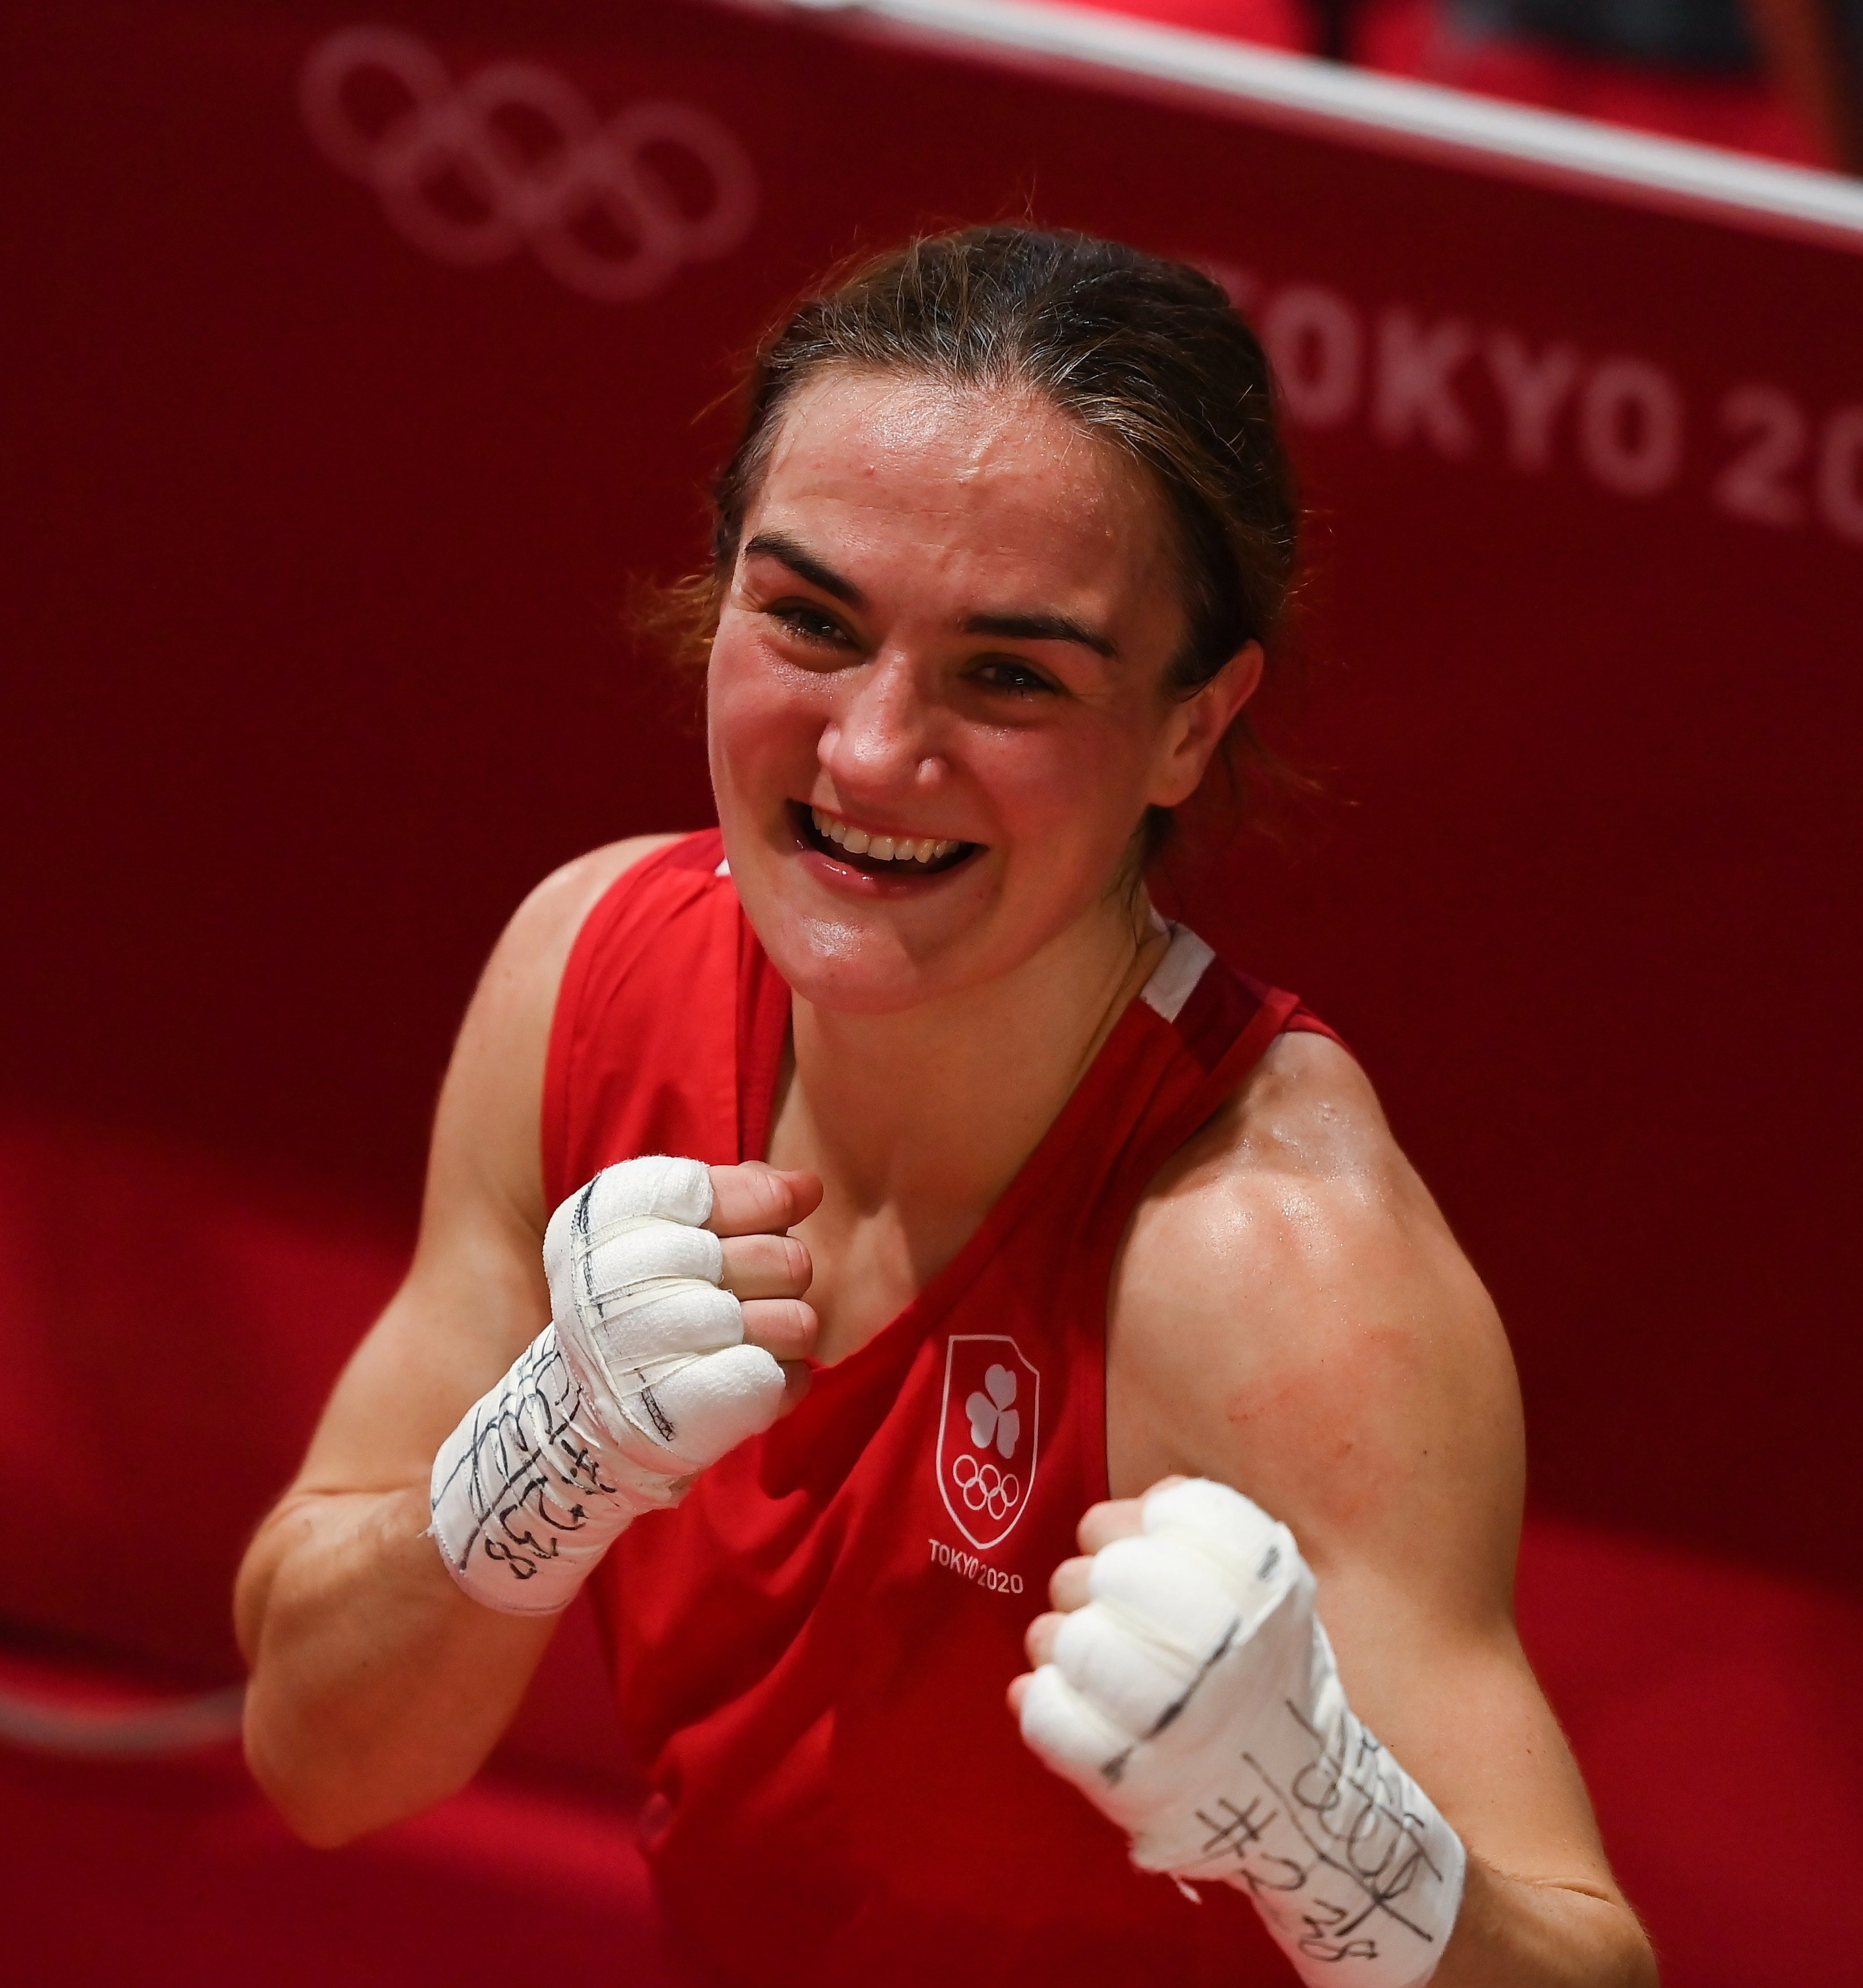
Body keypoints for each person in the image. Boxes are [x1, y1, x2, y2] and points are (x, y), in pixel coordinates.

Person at [231, 226, 1655, 1988]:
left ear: (1190, 730)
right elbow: (320, 1749)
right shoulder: (588, 969)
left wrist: (1320, 1820)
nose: (868, 755)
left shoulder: (1268, 1259)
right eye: (810, 620)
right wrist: (542, 1454)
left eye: (1010, 675)